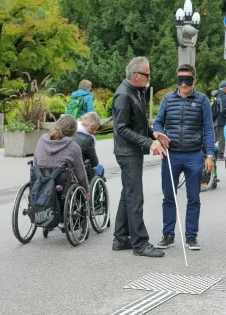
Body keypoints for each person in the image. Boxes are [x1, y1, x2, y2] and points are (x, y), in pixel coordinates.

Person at [153, 64, 215, 251]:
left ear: (194, 80)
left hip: (194, 155)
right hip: (171, 155)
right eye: (180, 80)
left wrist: (209, 155)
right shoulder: (167, 99)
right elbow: (157, 123)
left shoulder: (203, 100)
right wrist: (157, 135)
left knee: (194, 198)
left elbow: (209, 129)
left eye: (187, 80)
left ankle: (191, 237)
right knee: (169, 196)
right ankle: (168, 235)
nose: (184, 84)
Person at [112, 56, 169, 258]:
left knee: (128, 194)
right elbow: (122, 129)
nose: (149, 78)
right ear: (136, 75)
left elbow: (138, 124)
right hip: (127, 153)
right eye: (147, 74)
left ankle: (120, 238)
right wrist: (149, 143)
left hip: (132, 151)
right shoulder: (123, 95)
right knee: (135, 196)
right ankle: (140, 244)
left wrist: (153, 133)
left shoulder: (136, 91)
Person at [33, 115, 90, 229]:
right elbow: (81, 174)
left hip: (41, 181)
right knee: (77, 184)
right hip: (61, 186)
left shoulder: (42, 139)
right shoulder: (73, 147)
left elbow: (35, 162)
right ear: (74, 131)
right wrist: (86, 190)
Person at [72, 112, 104, 177]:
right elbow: (95, 163)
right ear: (86, 124)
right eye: (93, 129)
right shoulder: (88, 139)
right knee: (100, 168)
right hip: (81, 171)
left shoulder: (70, 131)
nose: (94, 132)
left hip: (67, 169)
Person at [211, 81, 226, 161]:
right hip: (221, 120)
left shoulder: (215, 95)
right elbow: (223, 109)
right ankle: (220, 156)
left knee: (214, 137)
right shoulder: (223, 96)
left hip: (214, 119)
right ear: (224, 88)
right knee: (221, 138)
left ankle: (206, 151)